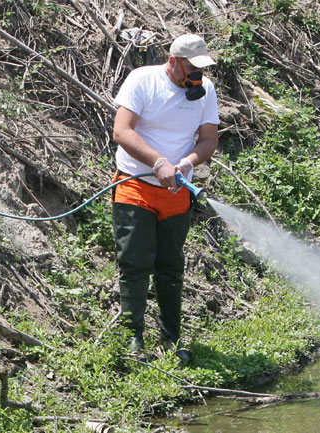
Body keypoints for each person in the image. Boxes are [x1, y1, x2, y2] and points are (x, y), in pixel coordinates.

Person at [111, 34, 219, 360]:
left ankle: (171, 340)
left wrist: (186, 163)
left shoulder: (206, 92)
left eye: (202, 69)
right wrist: (157, 162)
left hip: (176, 193)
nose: (197, 76)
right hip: (135, 185)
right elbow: (122, 130)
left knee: (170, 267)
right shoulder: (143, 80)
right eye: (192, 68)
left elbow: (208, 140)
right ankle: (133, 340)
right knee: (135, 262)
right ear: (173, 61)